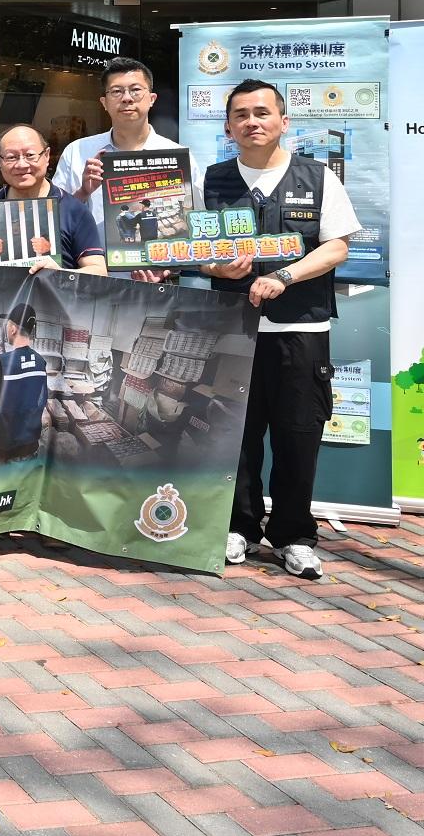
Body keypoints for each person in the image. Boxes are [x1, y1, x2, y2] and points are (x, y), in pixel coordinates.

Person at [204, 79, 357, 581]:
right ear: (229, 127)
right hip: (233, 330)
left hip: (300, 329)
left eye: (263, 112)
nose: (253, 122)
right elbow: (190, 250)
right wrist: (215, 270)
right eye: (242, 115)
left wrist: (284, 276)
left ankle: (293, 534)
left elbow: (336, 247)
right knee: (237, 436)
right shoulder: (213, 180)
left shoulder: (318, 178)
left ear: (283, 121)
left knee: (298, 436)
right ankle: (239, 527)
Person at [56, 59, 182, 281]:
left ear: (152, 99)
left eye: (136, 90)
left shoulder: (177, 156)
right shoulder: (77, 151)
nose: (126, 98)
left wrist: (166, 270)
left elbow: (191, 223)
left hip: (155, 282)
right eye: (116, 91)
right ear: (104, 102)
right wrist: (83, 192)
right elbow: (56, 219)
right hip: (89, 279)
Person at [0, 123, 107, 273]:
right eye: (11, 157)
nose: (21, 164)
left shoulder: (73, 209)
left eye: (30, 155)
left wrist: (59, 273)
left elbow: (99, 270)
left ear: (46, 156)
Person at [0, 313, 50, 464]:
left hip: (8, 451)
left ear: (13, 329)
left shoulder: (0, 363)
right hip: (32, 447)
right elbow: (40, 399)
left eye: (8, 324)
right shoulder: (41, 362)